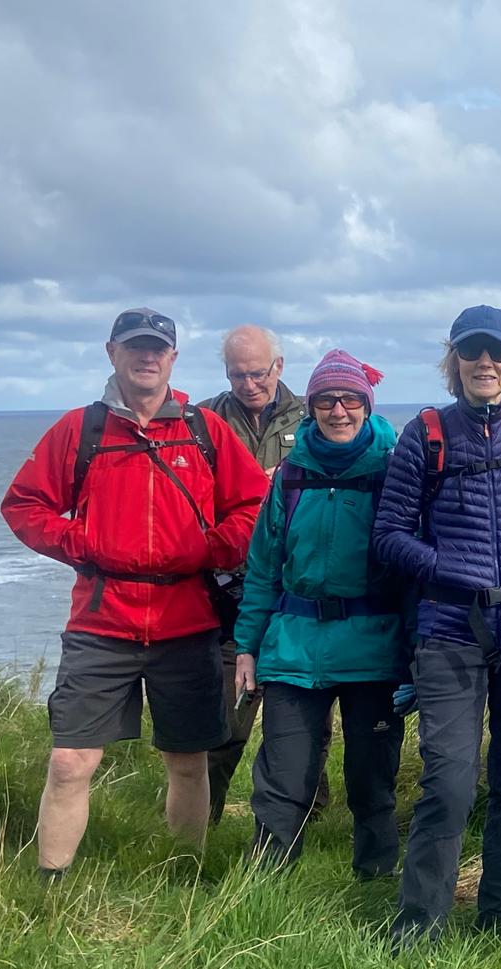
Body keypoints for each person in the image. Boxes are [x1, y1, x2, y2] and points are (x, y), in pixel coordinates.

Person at [0, 308, 266, 875]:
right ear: (112, 352)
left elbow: (253, 507)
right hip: (101, 623)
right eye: (135, 347)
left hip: (188, 622)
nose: (147, 357)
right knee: (71, 761)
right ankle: (49, 890)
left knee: (188, 760)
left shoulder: (204, 430)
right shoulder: (82, 429)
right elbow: (23, 506)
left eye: (158, 349)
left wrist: (210, 548)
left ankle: (184, 875)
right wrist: (85, 542)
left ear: (172, 358)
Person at [373, 305, 501, 944]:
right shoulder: (426, 434)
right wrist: (449, 568)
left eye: (497, 353)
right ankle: (420, 927)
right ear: (455, 361)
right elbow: (389, 534)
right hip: (449, 630)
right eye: (473, 353)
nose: (486, 364)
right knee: (449, 782)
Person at [233, 350, 405, 876]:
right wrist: (246, 646)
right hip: (293, 645)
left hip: (374, 645)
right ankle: (266, 886)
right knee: (284, 776)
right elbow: (263, 568)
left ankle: (375, 879)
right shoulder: (289, 476)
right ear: (310, 408)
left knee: (371, 777)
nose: (338, 411)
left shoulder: (396, 468)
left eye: (350, 399)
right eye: (326, 400)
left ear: (365, 404)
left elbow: (415, 565)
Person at [200, 325, 317, 823]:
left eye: (257, 373)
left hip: (297, 585)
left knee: (302, 708)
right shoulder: (201, 420)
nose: (249, 384)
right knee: (229, 715)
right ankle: (201, 824)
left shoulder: (317, 414)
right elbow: (189, 499)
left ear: (280, 366)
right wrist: (245, 487)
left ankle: (311, 817)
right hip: (230, 586)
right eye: (237, 374)